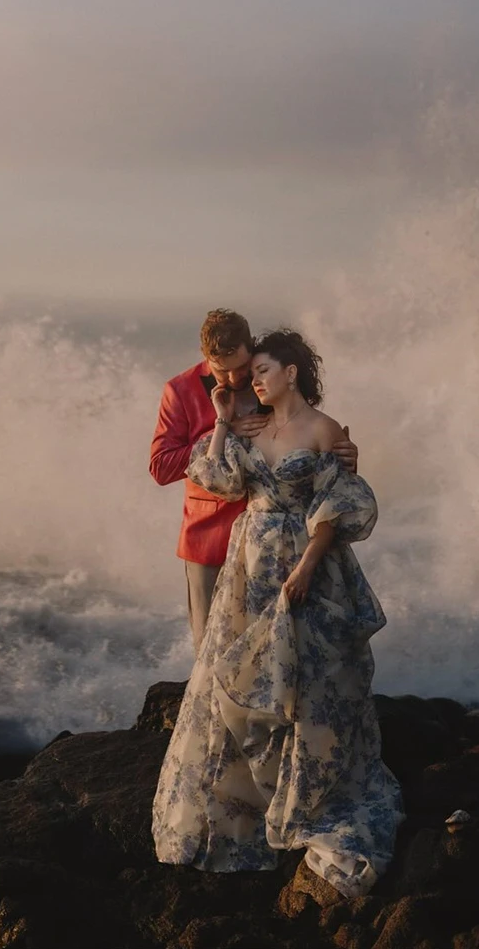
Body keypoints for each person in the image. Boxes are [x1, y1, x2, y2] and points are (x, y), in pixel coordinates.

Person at [152, 329, 403, 897]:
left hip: (302, 563)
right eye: (252, 371)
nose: (252, 381)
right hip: (248, 568)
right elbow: (215, 478)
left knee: (308, 680)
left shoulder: (325, 430)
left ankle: (305, 798)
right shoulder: (250, 424)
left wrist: (309, 565)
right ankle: (249, 805)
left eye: (263, 369)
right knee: (239, 678)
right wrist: (219, 419)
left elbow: (340, 503)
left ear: (292, 372)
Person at [149, 309, 357, 654]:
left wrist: (344, 454)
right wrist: (225, 430)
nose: (233, 378)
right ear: (205, 357)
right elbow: (160, 467)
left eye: (241, 368)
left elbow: (305, 434)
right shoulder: (179, 390)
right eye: (222, 370)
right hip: (210, 537)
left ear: (251, 348)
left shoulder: (267, 376)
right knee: (212, 651)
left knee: (276, 649)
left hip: (278, 542)